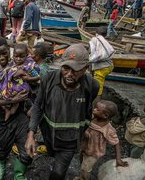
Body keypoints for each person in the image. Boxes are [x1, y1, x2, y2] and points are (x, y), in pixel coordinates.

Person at [25, 44, 100, 180]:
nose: (69, 74)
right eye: (65, 68)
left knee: (58, 174)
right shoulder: (48, 79)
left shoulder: (92, 86)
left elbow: (87, 112)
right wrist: (31, 134)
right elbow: (38, 106)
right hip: (49, 134)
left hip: (70, 141)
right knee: (51, 154)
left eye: (75, 70)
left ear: (85, 68)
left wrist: (84, 135)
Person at [0, 37, 32, 180]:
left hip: (22, 114)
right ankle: (2, 163)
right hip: (2, 117)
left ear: (8, 49)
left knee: (26, 150)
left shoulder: (18, 62)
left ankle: (18, 174)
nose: (2, 57)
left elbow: (34, 82)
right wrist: (11, 100)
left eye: (4, 53)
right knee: (3, 147)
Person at [75, 100, 128, 180]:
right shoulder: (92, 118)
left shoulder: (108, 129)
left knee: (85, 169)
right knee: (82, 163)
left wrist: (118, 159)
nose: (94, 109)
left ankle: (84, 178)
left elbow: (116, 143)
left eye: (97, 109)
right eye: (95, 107)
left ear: (105, 116)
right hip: (84, 147)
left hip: (94, 153)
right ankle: (80, 177)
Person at [0, 44, 40, 121]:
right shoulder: (12, 63)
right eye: (16, 56)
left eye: (21, 57)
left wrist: (27, 78)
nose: (18, 59)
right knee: (2, 88)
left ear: (26, 55)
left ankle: (13, 107)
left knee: (15, 94)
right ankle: (7, 107)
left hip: (22, 86)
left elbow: (37, 78)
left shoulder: (29, 65)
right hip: (13, 84)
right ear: (13, 55)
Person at [89, 27, 114, 101]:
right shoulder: (105, 42)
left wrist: (89, 64)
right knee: (96, 83)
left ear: (96, 33)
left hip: (102, 68)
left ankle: (95, 106)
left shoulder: (94, 40)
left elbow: (91, 55)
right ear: (105, 35)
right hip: (109, 66)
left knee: (98, 90)